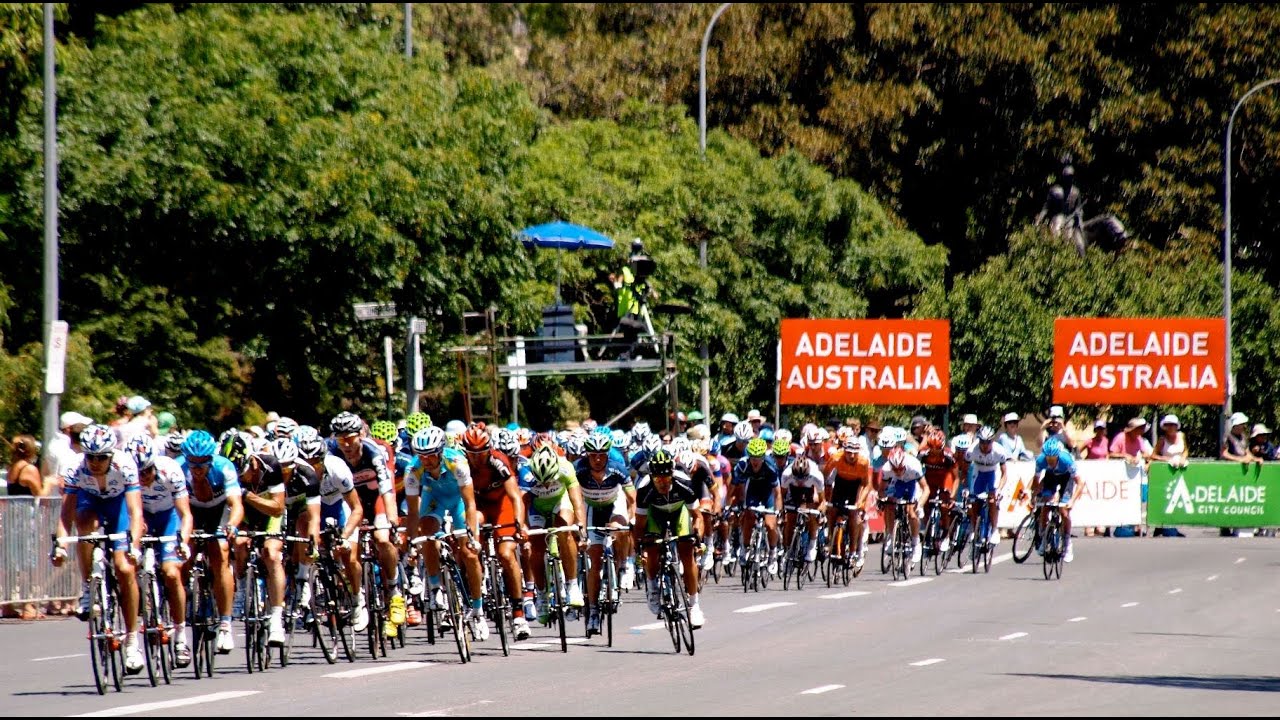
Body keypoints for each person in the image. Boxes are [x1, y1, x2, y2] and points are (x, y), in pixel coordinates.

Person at [53, 425, 146, 674]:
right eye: (90, 456)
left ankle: (132, 641)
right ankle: (87, 587)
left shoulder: (125, 464)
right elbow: (66, 514)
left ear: (111, 455)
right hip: (90, 501)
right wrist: (60, 545)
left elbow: (136, 512)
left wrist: (134, 546)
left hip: (118, 507)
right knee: (85, 526)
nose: (95, 462)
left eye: (101, 457)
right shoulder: (75, 467)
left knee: (125, 569)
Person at [632, 449, 704, 628]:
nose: (662, 483)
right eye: (657, 479)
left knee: (687, 553)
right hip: (655, 514)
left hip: (679, 512)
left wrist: (698, 538)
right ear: (651, 476)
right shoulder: (644, 488)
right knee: (652, 548)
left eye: (666, 478)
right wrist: (638, 550)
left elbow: (697, 516)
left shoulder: (684, 482)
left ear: (672, 474)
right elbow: (640, 525)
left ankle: (694, 605)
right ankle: (653, 586)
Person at [1030, 438, 1081, 562]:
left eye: (1053, 459)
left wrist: (1072, 501)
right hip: (1051, 477)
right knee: (1045, 505)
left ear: (1058, 455)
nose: (1051, 461)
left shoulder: (1066, 460)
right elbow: (1036, 482)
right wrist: (1033, 496)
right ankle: (1043, 538)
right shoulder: (1041, 460)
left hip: (1066, 478)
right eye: (1048, 459)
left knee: (1064, 512)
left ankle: (1067, 543)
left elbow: (1080, 483)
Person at [1150, 415, 1188, 538]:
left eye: (1173, 425)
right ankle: (1160, 526)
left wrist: (1183, 457)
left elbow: (1186, 450)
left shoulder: (1181, 436)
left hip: (1179, 470)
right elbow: (1153, 455)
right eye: (1168, 425)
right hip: (1166, 470)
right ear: (1165, 427)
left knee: (1176, 499)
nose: (1171, 427)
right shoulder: (1162, 439)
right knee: (1165, 497)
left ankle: (1171, 526)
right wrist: (1166, 458)